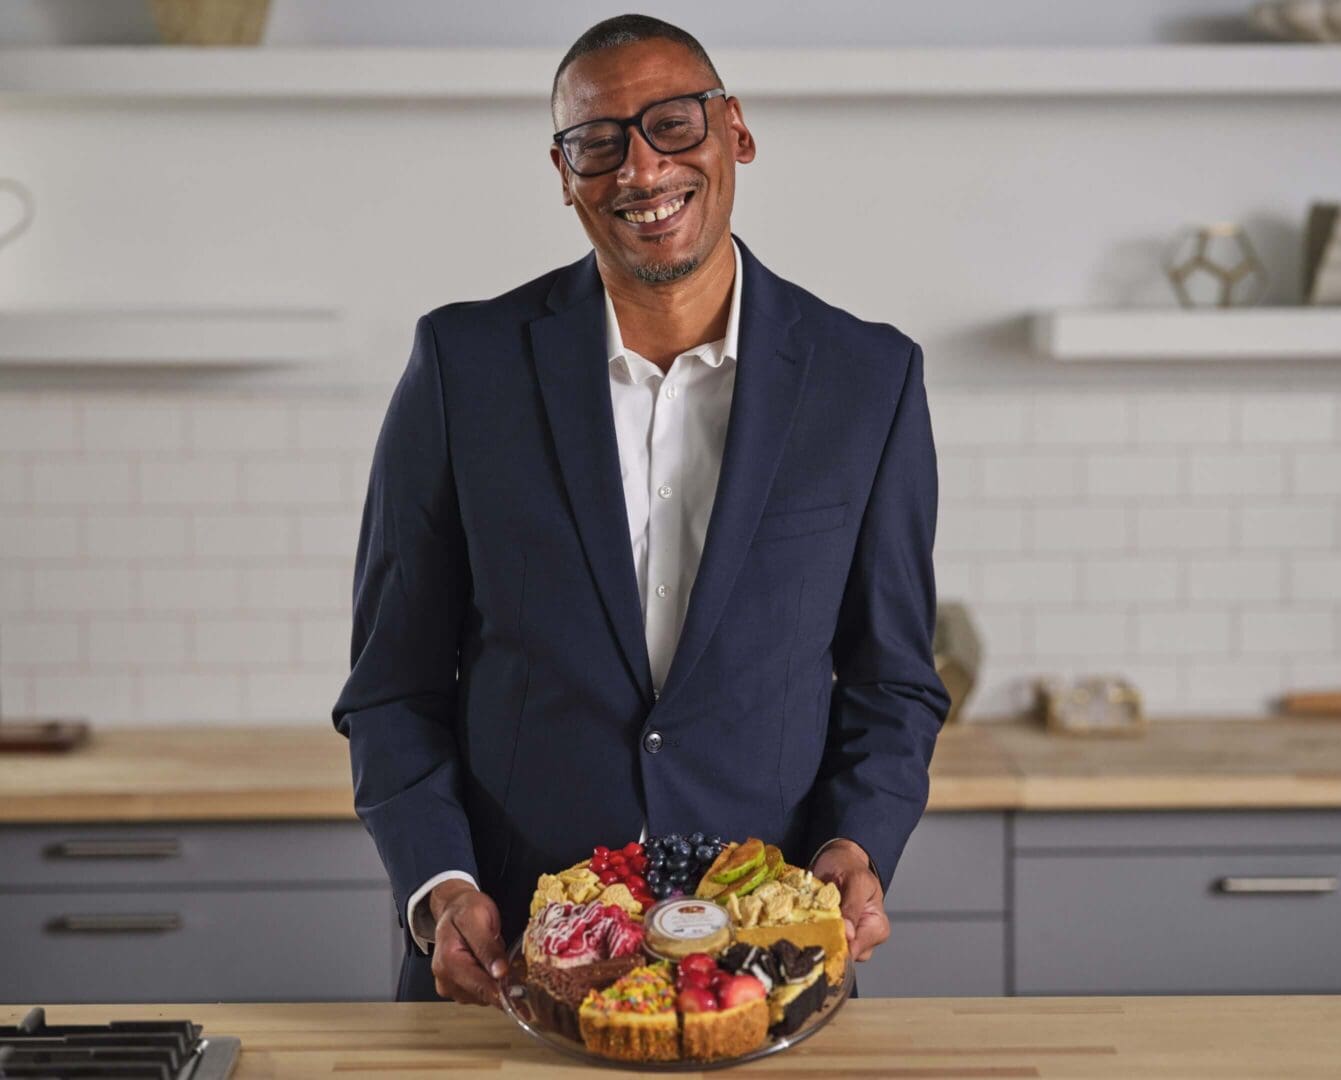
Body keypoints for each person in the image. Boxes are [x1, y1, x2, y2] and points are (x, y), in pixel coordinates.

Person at [333, 14, 949, 1006]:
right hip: (510, 977)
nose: (640, 170)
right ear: (564, 171)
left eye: (673, 125)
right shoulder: (463, 369)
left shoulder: (866, 380)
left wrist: (857, 841)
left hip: (761, 982)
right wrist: (438, 887)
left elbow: (893, 682)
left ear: (735, 132)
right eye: (598, 143)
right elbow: (391, 687)